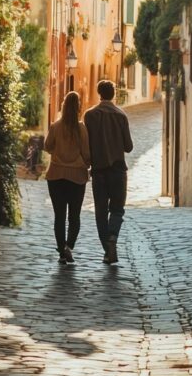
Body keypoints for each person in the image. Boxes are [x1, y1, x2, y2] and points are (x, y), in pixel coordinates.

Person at [83, 80, 133, 264]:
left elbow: (85, 144)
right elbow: (128, 147)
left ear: (99, 93)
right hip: (118, 171)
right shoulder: (121, 116)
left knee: (100, 212)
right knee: (118, 210)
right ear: (114, 94)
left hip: (98, 171)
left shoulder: (89, 115)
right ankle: (113, 238)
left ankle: (107, 250)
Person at [43, 91, 91, 264]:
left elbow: (47, 146)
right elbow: (87, 154)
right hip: (77, 177)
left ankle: (62, 253)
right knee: (74, 216)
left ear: (63, 106)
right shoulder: (82, 128)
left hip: (56, 176)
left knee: (59, 216)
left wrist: (58, 152)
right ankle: (68, 246)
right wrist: (87, 164)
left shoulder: (56, 126)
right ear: (78, 107)